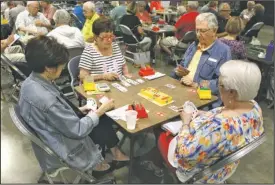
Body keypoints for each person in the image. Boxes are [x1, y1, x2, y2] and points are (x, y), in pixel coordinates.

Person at [19, 35, 129, 176]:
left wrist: (81, 109)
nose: (62, 70)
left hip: (51, 132)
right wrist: (100, 111)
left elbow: (54, 113)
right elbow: (78, 130)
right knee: (103, 118)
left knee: (99, 117)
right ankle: (99, 164)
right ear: (49, 68)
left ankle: (115, 152)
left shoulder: (30, 82)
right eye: (61, 67)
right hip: (66, 145)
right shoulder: (46, 99)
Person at [158, 60, 264, 183]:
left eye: (220, 85)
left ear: (232, 93)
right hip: (225, 165)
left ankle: (160, 168)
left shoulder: (218, 127)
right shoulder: (254, 107)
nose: (218, 89)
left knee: (161, 134)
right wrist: (205, 114)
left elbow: (184, 155)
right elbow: (226, 113)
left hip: (202, 174)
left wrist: (186, 123)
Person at [172, 13, 231, 108]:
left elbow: (222, 83)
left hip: (204, 100)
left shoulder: (223, 51)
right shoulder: (193, 46)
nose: (198, 34)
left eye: (203, 31)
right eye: (197, 30)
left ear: (214, 30)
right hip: (183, 91)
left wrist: (197, 84)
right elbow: (181, 65)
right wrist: (178, 72)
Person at [79, 17, 131, 81]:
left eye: (111, 36)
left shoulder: (115, 46)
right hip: (100, 88)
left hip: (118, 86)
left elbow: (124, 66)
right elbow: (83, 78)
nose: (109, 40)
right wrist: (102, 76)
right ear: (95, 36)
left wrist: (126, 74)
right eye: (105, 37)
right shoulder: (89, 51)